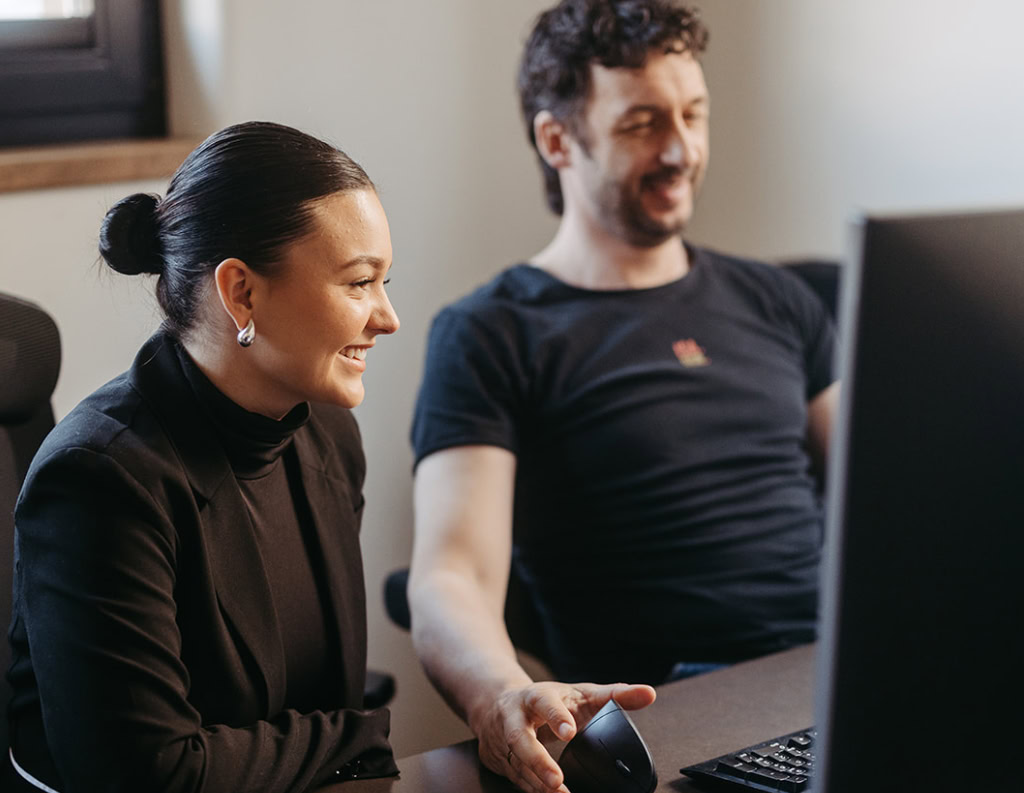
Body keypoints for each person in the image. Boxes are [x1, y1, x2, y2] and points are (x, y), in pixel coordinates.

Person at [407, 2, 839, 792]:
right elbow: (450, 577)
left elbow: (891, 504)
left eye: (694, 114)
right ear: (557, 140)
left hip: (836, 673)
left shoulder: (778, 299)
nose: (682, 148)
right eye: (643, 123)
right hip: (679, 709)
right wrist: (499, 692)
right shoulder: (492, 332)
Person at [6, 121, 401, 793]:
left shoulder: (327, 432)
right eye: (359, 282)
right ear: (241, 292)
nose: (386, 316)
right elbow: (149, 776)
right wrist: (354, 737)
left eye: (383, 280)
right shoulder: (99, 482)